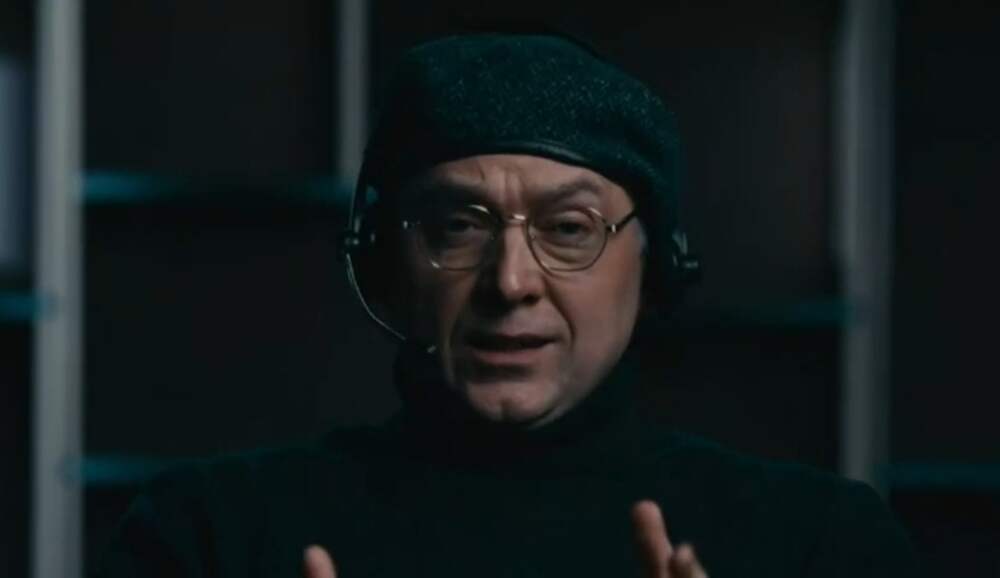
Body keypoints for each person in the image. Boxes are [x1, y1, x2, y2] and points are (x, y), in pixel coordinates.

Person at [94, 32, 919, 578]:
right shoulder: (208, 539)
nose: (511, 280)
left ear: (658, 264)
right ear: (382, 263)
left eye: (569, 228)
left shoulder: (824, 547)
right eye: (459, 226)